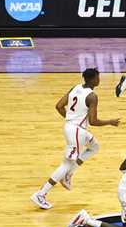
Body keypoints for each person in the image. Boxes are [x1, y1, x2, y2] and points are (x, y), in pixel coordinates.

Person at [31, 68, 120, 210]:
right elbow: (93, 121)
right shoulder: (92, 96)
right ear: (92, 79)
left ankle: (69, 174)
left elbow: (59, 106)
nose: (99, 80)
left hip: (71, 127)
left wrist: (70, 119)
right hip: (77, 131)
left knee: (94, 147)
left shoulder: (75, 88)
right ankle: (41, 194)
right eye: (98, 77)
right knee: (65, 164)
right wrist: (110, 122)